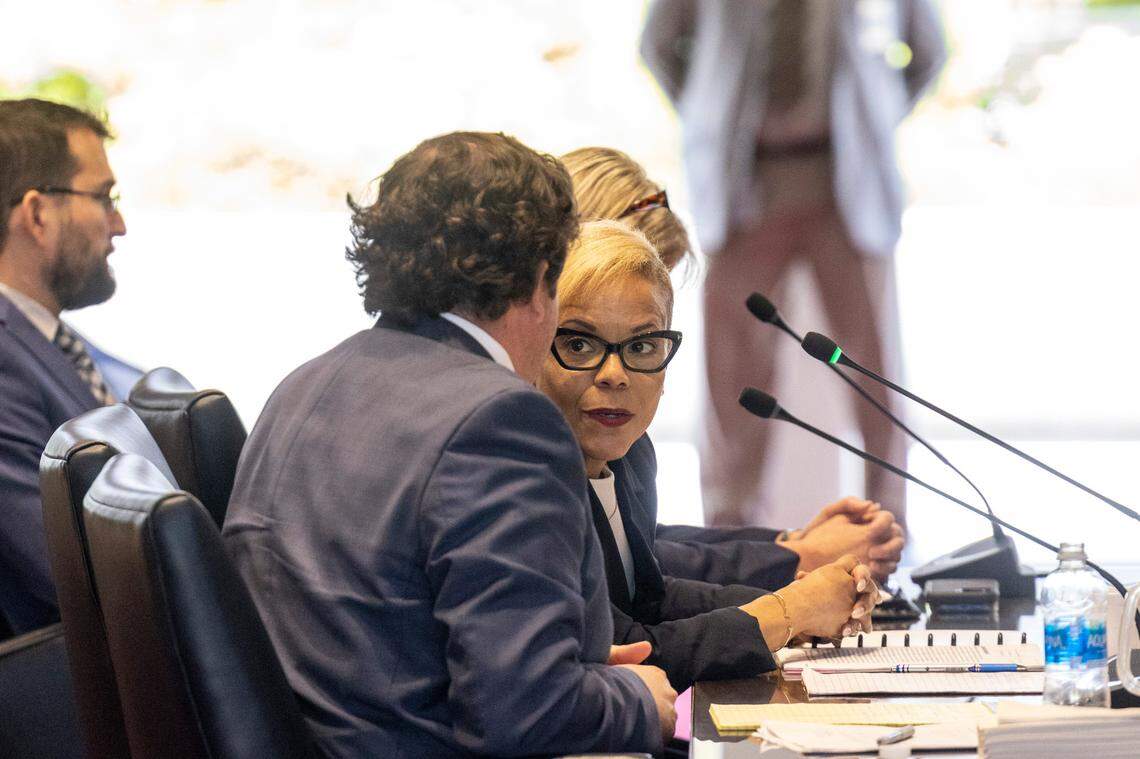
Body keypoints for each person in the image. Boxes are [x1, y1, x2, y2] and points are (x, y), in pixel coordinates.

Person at [223, 132, 675, 758]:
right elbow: (523, 713)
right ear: (541, 277)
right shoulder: (502, 419)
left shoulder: (303, 384)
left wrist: (579, 672)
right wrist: (637, 698)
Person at [536, 219, 881, 691]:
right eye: (579, 343)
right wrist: (786, 612)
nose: (614, 374)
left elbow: (650, 597)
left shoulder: (631, 458)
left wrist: (802, 599)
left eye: (641, 345)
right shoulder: (534, 483)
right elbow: (626, 647)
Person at [640, 0, 947, 529]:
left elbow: (928, 52)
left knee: (872, 363)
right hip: (745, 183)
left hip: (846, 184)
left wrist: (873, 114)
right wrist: (711, 111)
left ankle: (887, 519)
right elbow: (659, 45)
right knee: (733, 364)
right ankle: (730, 524)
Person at [561, 146, 904, 590]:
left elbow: (640, 545)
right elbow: (638, 583)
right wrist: (796, 560)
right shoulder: (531, 427)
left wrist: (790, 541)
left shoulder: (622, 437)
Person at [0, 98, 136, 635]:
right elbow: (66, 574)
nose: (119, 224)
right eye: (103, 198)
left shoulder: (44, 339)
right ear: (38, 214)